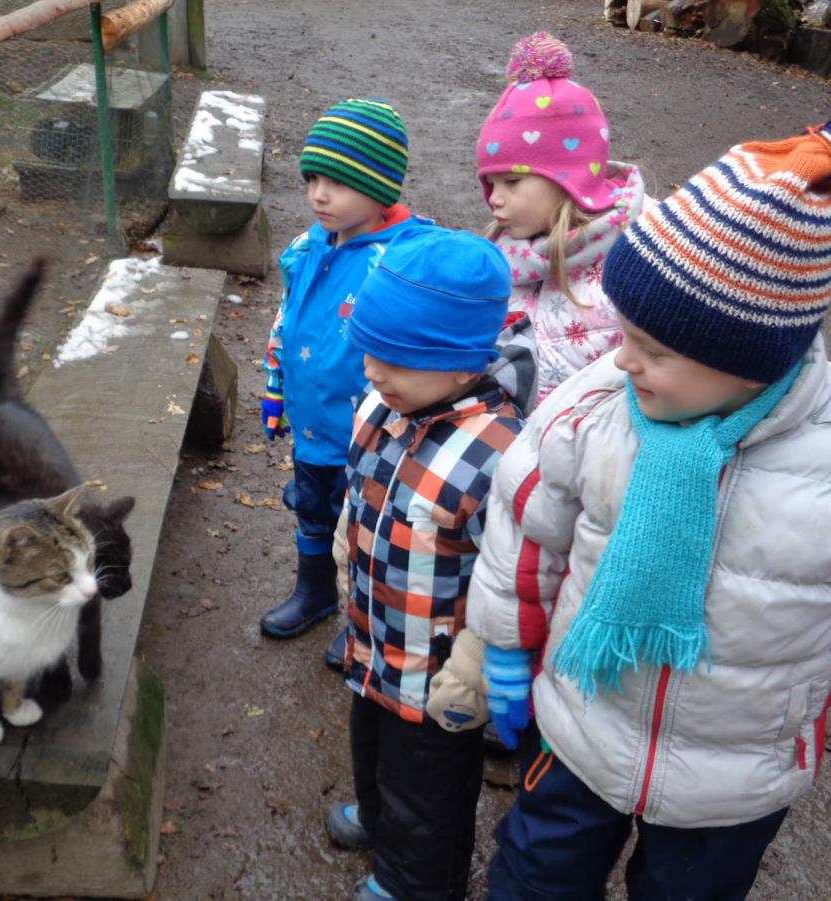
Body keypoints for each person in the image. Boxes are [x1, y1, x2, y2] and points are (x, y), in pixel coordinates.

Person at [465, 121, 831, 900]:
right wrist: (503, 644)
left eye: (654, 349)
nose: (622, 358)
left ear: (751, 358)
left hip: (733, 774)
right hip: (580, 724)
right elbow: (529, 523)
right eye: (625, 334)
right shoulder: (599, 404)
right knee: (533, 877)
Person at [324, 228, 537, 901]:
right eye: (370, 354)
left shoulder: (500, 453)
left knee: (431, 789)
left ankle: (419, 880)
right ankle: (381, 819)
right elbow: (357, 495)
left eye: (395, 360)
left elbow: (513, 568)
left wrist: (479, 658)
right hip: (371, 639)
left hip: (438, 668)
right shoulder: (382, 406)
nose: (374, 372)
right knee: (371, 749)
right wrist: (340, 551)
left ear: (461, 364)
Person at [261, 98, 431, 663]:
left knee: (364, 525)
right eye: (313, 178)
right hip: (313, 426)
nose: (318, 195)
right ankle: (313, 594)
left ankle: (362, 615)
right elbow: (286, 319)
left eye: (338, 182)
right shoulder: (307, 247)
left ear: (380, 186)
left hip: (370, 433)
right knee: (312, 509)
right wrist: (275, 385)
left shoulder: (400, 258)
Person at [476, 32, 652, 405]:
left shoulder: (640, 253)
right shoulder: (502, 253)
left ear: (567, 178)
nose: (495, 199)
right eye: (490, 183)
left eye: (511, 181)